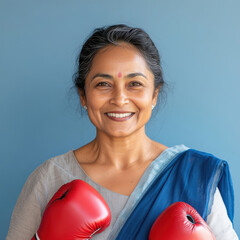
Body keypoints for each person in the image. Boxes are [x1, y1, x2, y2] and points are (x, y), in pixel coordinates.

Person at [7, 24, 238, 240]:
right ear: (83, 96)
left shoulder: (193, 177)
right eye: (103, 84)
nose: (119, 98)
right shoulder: (50, 178)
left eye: (135, 84)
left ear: (154, 94)